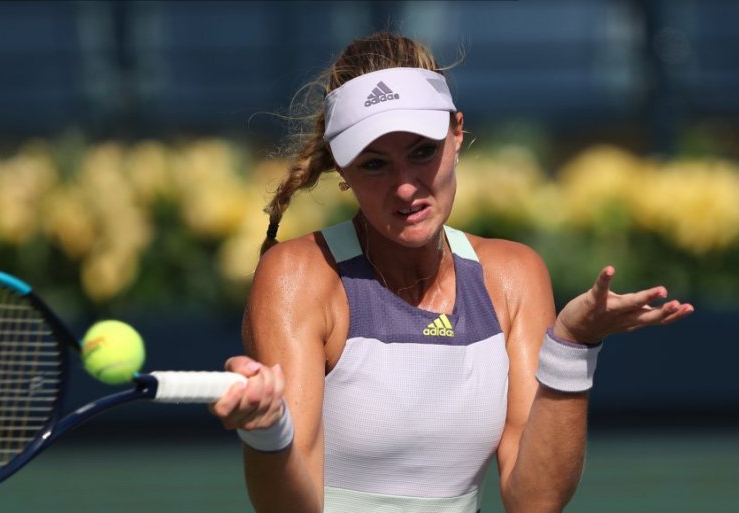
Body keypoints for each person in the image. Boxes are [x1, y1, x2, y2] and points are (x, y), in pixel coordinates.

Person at [210, 32, 694, 513]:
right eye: (375, 164)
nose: (405, 187)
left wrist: (572, 345)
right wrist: (267, 432)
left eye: (422, 152)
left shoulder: (515, 276)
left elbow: (535, 501)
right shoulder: (296, 276)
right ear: (341, 166)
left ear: (457, 133)